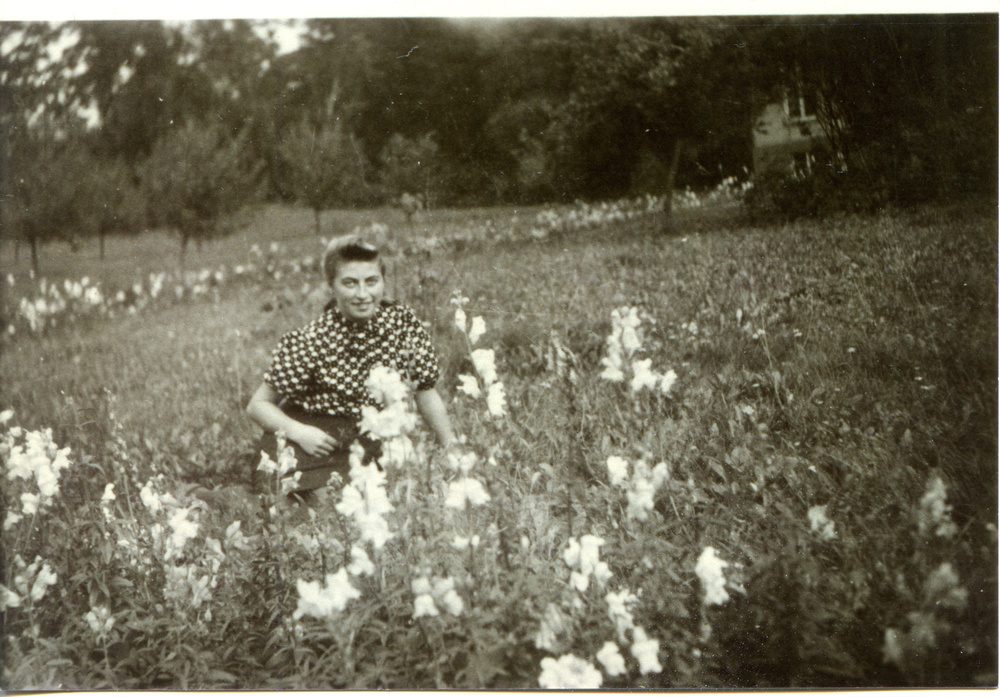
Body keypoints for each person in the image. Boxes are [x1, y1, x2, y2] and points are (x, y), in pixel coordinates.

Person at [246, 235, 456, 495]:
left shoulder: (402, 322)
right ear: (331, 286)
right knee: (330, 506)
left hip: (371, 441)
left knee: (410, 495)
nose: (363, 294)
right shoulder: (311, 339)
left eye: (371, 281)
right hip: (312, 445)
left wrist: (451, 450)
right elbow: (257, 405)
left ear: (383, 281)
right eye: (349, 283)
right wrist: (300, 433)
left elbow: (425, 390)